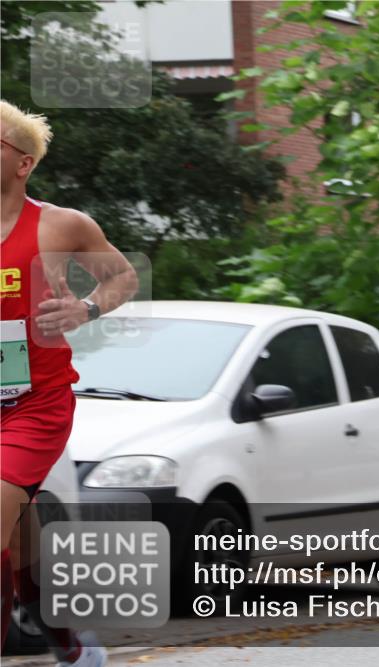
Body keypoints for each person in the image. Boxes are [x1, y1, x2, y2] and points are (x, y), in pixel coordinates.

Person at [1, 100, 138, 666]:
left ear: (22, 163)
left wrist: (83, 309)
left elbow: (124, 277)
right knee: (21, 540)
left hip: (33, 406)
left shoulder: (59, 225)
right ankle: (70, 643)